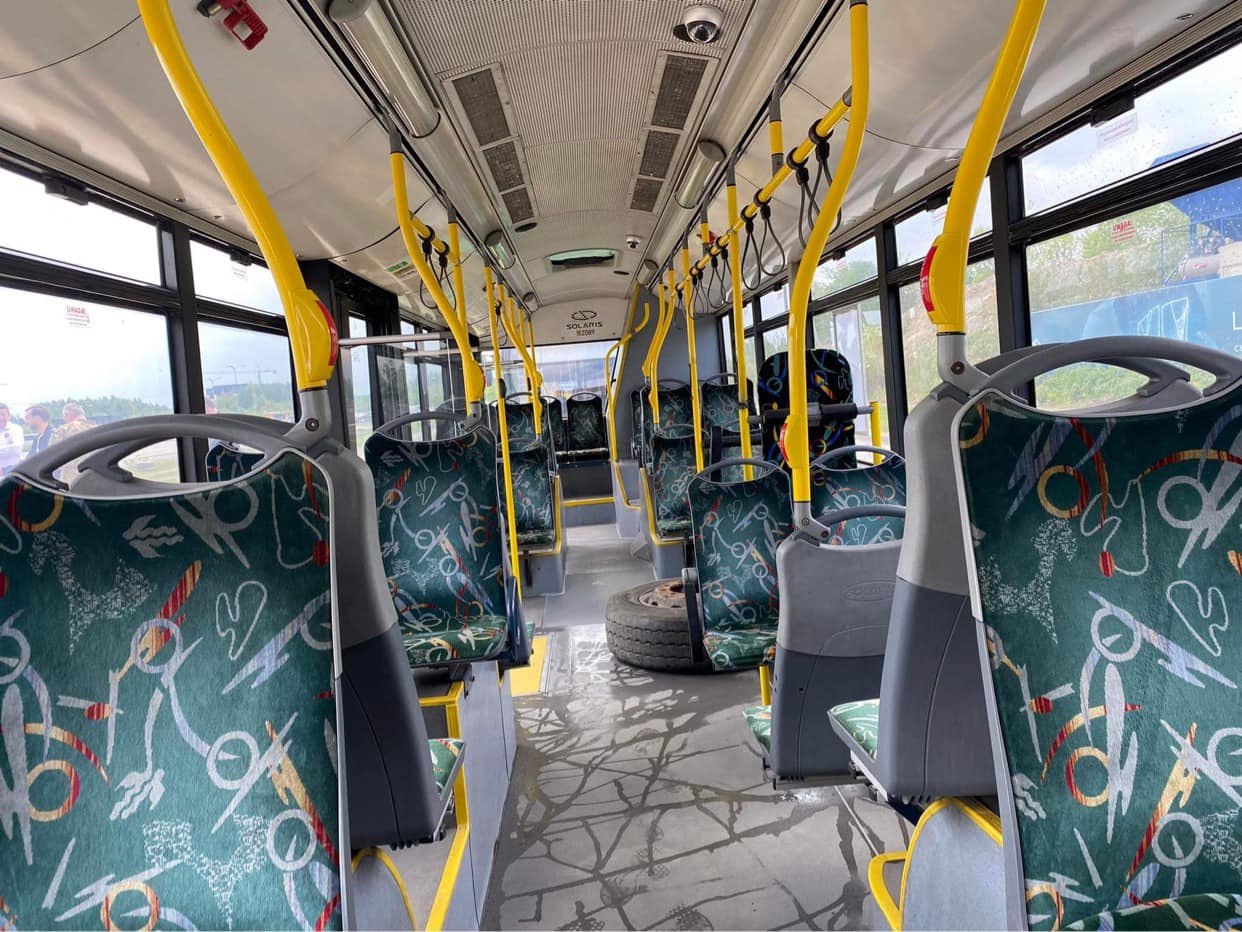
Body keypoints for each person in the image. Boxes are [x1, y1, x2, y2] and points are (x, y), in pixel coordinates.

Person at [51, 402, 97, 484]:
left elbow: (52, 454)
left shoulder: (64, 430)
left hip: (71, 478)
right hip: (95, 476)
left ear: (67, 415)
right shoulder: (99, 429)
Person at [0, 404, 23, 474]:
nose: (0, 418)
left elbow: (16, 449)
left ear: (8, 415)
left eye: (3, 414)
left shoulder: (16, 429)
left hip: (12, 468)